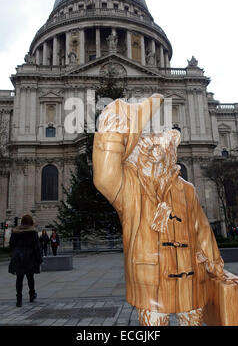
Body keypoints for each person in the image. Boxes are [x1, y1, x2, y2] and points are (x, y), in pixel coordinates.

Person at [93, 94, 226, 326]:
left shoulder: (187, 189)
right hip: (151, 280)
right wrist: (117, 121)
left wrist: (215, 264)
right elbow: (104, 175)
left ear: (171, 153)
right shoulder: (128, 186)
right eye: (149, 147)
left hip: (190, 278)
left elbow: (201, 230)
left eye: (160, 147)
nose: (155, 152)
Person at [8, 214, 42, 307]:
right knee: (30, 277)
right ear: (31, 222)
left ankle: (19, 299)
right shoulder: (33, 232)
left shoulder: (15, 232)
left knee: (19, 278)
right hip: (29, 256)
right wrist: (39, 259)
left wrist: (16, 251)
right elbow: (37, 247)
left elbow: (11, 244)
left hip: (18, 256)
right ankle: (32, 294)